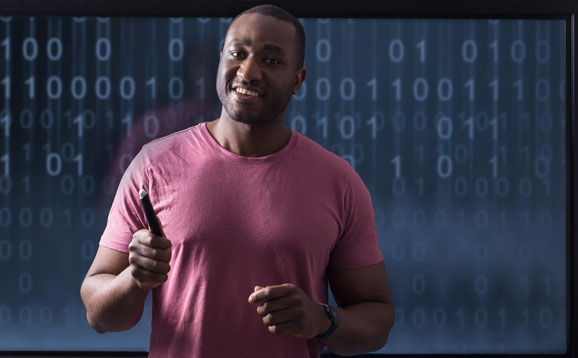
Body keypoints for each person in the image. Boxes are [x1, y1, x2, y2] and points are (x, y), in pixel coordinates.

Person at [80, 4, 395, 357]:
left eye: (271, 60)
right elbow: (99, 316)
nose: (248, 71)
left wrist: (323, 320)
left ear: (297, 80)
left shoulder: (340, 182)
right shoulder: (153, 165)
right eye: (237, 53)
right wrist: (134, 279)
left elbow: (378, 321)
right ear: (220, 61)